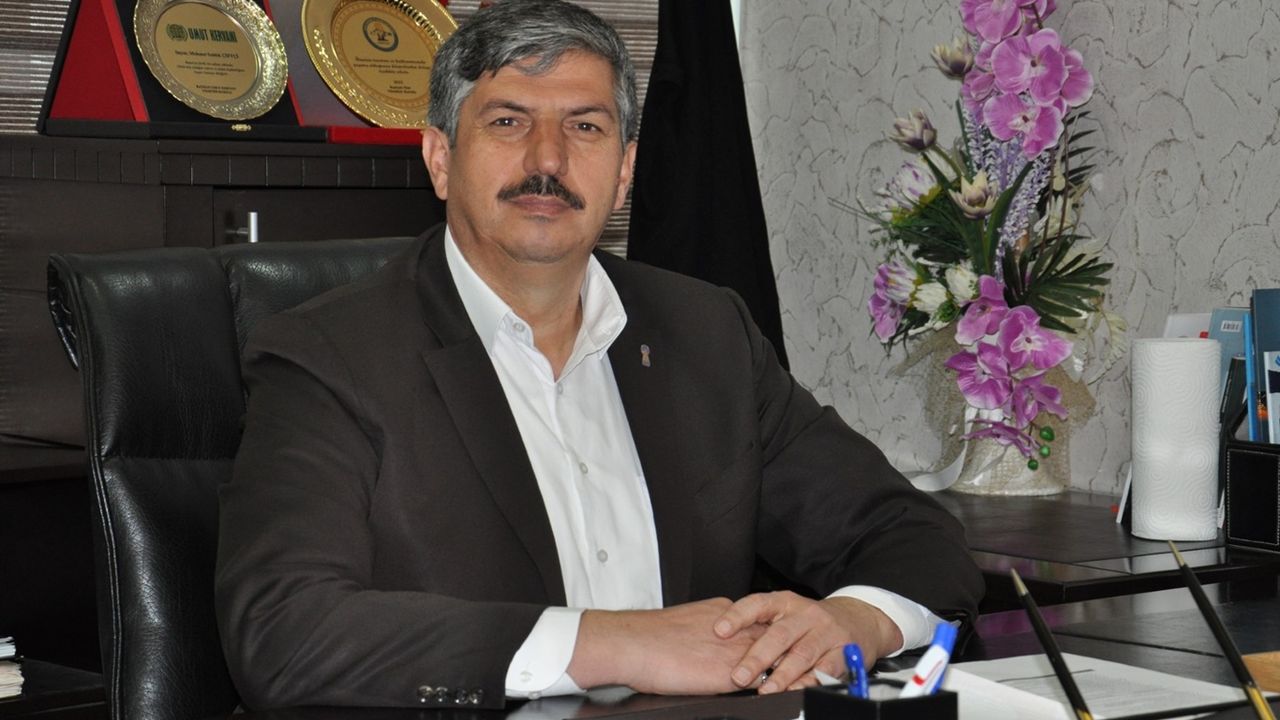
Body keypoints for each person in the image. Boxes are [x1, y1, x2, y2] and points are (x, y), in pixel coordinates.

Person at [215, 0, 983, 710]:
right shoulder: (330, 356)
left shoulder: (706, 333)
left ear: (623, 171)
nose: (547, 159)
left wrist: (854, 620)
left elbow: (909, 533)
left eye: (585, 127)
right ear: (441, 158)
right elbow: (282, 630)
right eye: (508, 122)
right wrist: (615, 645)